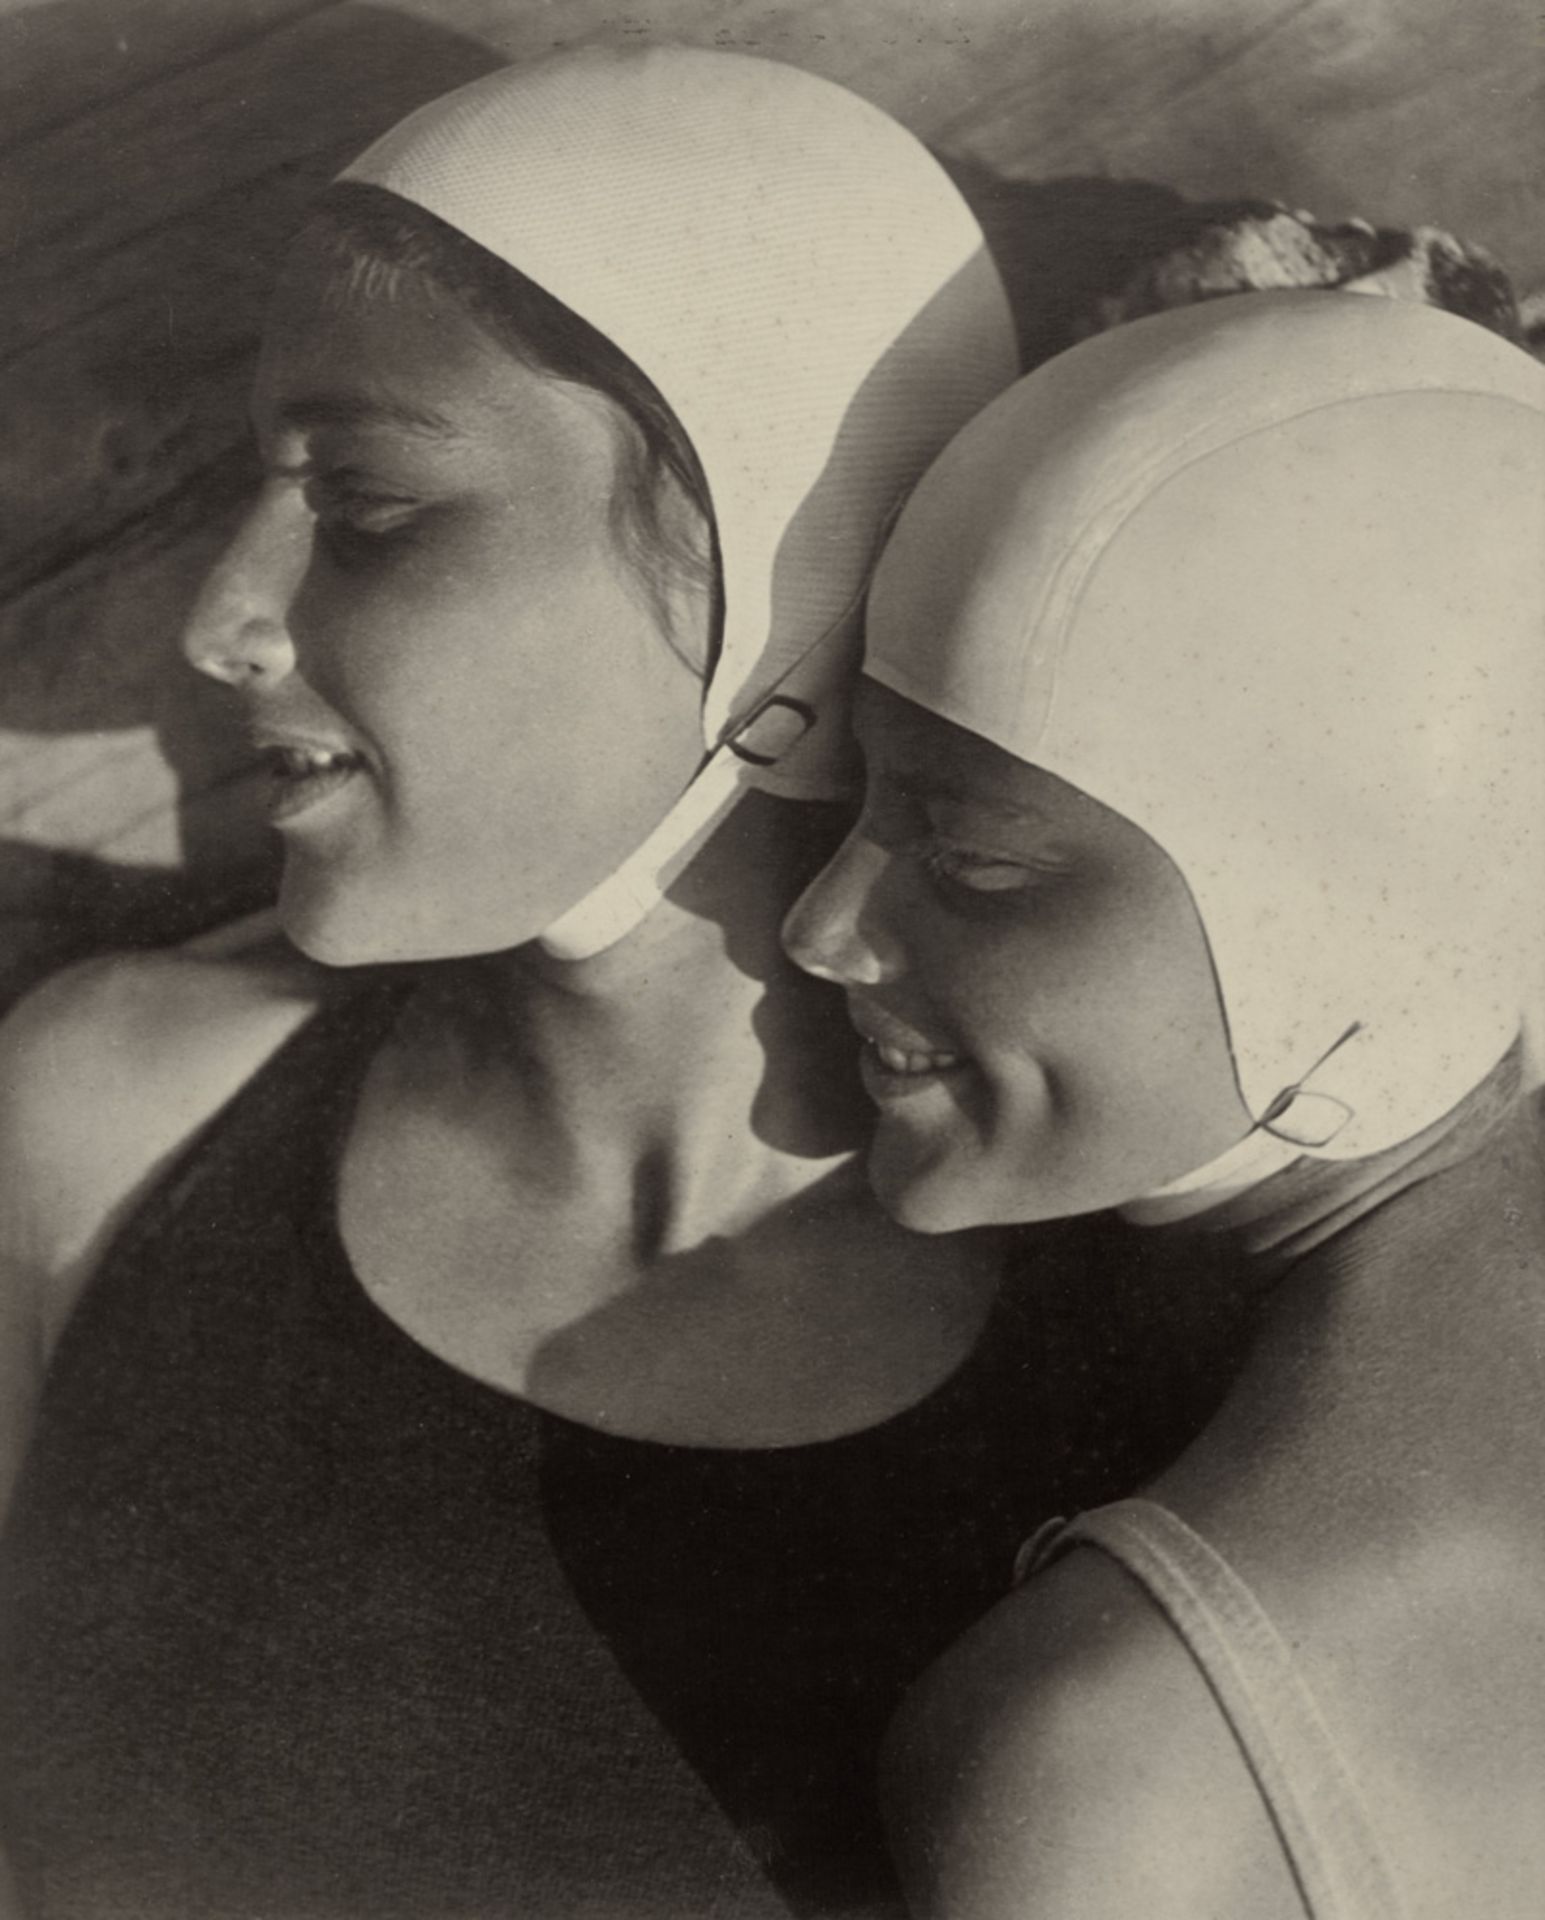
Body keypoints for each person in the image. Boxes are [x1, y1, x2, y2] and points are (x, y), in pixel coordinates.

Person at [0, 47, 1050, 1920]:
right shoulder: (100, 1127)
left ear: (775, 587)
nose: (219, 623)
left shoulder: (1157, 1347)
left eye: (367, 502)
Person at [783, 289, 1545, 1919]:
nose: (821, 927)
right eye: (851, 807)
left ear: (1335, 914)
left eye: (969, 860)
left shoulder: (1120, 1765)